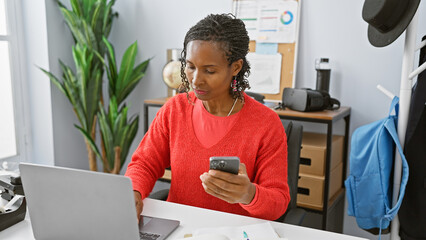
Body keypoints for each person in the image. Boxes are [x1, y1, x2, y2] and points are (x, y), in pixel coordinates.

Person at [125, 13, 290, 221]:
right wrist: (134, 192)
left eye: (209, 71)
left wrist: (249, 194)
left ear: (236, 68)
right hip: (180, 229)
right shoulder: (175, 109)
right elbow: (144, 164)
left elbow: (278, 202)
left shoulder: (266, 123)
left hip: (235, 232)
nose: (195, 80)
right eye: (191, 66)